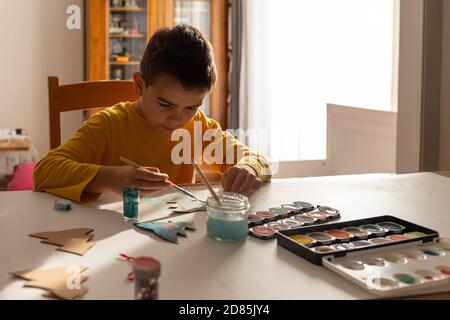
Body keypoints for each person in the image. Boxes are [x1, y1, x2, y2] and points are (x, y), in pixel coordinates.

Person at [33, 25, 271, 203]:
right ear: (139, 85)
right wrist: (110, 179)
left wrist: (248, 170)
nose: (178, 119)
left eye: (192, 107)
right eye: (166, 104)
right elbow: (44, 171)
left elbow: (258, 161)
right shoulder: (109, 125)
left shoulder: (198, 127)